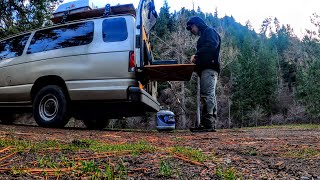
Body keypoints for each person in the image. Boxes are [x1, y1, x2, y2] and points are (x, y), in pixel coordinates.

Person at [186, 16, 221, 132]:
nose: (191, 30)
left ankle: (208, 124)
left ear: (197, 24)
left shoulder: (209, 32)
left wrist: (196, 55)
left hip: (210, 69)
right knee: (209, 94)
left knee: (207, 94)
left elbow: (212, 46)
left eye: (191, 27)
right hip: (207, 69)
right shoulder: (204, 36)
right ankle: (209, 123)